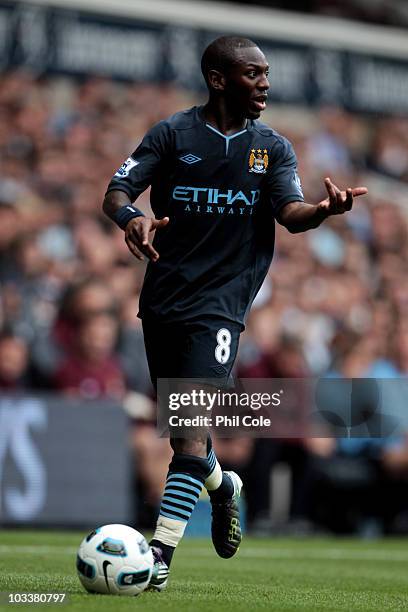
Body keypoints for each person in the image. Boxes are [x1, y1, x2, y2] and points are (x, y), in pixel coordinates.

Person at [102, 35, 368, 590]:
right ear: (219, 79)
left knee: (190, 432)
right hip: (163, 300)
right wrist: (131, 216)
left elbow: (290, 212)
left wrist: (321, 212)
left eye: (267, 73)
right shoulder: (174, 133)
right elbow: (118, 187)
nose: (266, 83)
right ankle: (224, 487)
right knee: (183, 436)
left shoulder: (271, 147)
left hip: (222, 307)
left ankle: (158, 560)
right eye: (253, 74)